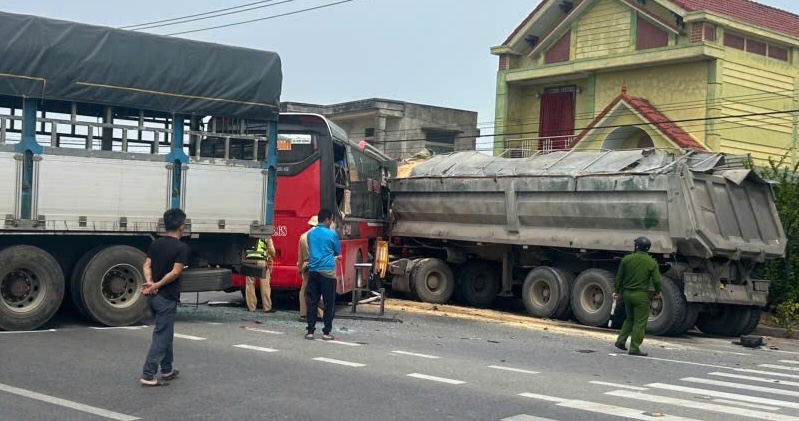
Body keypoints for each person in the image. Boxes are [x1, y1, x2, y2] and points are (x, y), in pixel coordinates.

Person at [139, 208, 191, 387]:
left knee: (166, 332)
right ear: (182, 227)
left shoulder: (156, 244)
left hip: (153, 298)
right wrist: (158, 285)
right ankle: (148, 374)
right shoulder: (181, 247)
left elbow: (146, 265)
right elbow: (175, 272)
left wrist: (149, 282)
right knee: (162, 335)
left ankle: (167, 369)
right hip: (166, 297)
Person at [613, 236, 662, 357]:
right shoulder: (651, 262)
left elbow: (619, 276)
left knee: (629, 319)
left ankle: (621, 341)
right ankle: (634, 347)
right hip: (640, 296)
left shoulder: (626, 259)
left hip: (626, 294)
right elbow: (657, 280)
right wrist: (657, 291)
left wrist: (616, 290)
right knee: (640, 322)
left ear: (636, 246)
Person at [305, 208, 341, 341]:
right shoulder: (331, 234)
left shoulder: (310, 234)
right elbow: (337, 251)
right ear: (327, 219)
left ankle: (310, 332)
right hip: (328, 272)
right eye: (331, 219)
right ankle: (326, 332)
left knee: (312, 302)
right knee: (328, 303)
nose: (331, 222)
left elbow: (310, 248)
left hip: (313, 271)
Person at [297, 215, 324, 321]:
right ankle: (320, 313)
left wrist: (300, 268)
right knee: (318, 290)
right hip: (319, 265)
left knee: (304, 290)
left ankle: (304, 313)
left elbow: (300, 256)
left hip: (307, 264)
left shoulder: (303, 237)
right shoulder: (321, 237)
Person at [244, 236, 276, 313]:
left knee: (250, 285)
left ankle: (251, 307)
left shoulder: (249, 235)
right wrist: (271, 256)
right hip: (261, 261)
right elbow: (272, 250)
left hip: (249, 261)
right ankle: (267, 307)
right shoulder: (266, 235)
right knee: (265, 285)